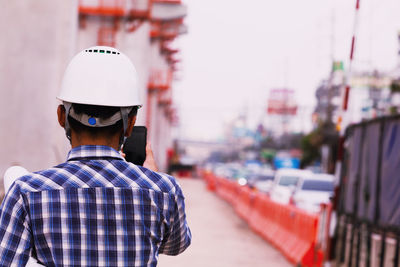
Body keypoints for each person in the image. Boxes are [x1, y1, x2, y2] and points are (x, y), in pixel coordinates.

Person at [0, 46, 191, 266]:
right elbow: (176, 245)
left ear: (62, 117)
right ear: (130, 124)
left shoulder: (26, 192)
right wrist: (151, 180)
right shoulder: (164, 190)